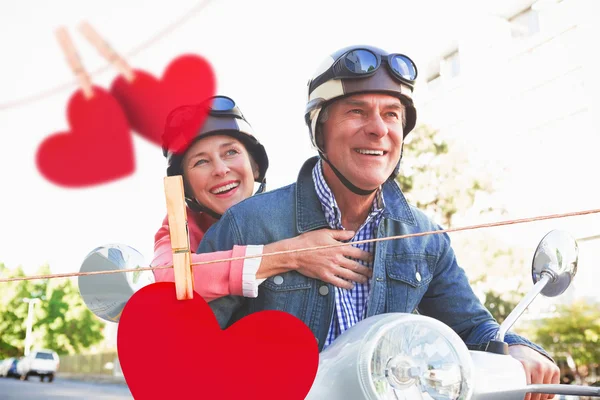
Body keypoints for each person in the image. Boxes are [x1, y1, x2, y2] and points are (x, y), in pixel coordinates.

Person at [198, 47, 560, 400]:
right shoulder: (248, 223)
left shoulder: (425, 238)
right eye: (357, 111)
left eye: (391, 115)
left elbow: (472, 327)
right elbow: (192, 343)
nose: (377, 129)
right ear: (319, 131)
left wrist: (517, 348)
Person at [151, 95, 373, 301]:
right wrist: (288, 255)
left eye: (230, 153)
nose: (220, 170)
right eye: (201, 162)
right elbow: (167, 279)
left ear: (255, 167)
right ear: (185, 188)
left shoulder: (292, 214)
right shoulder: (179, 229)